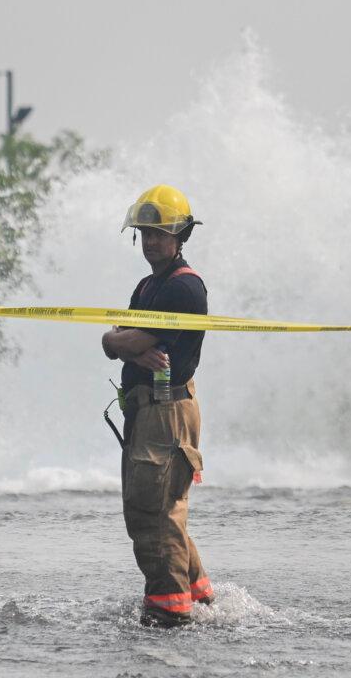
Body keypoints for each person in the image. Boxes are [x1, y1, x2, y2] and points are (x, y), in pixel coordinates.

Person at [101, 184, 212, 627]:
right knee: (164, 511)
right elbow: (115, 339)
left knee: (154, 514)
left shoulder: (184, 289)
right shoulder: (148, 286)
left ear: (180, 235)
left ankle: (169, 612)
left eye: (159, 233)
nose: (150, 241)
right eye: (145, 233)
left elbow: (128, 340)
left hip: (167, 413)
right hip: (149, 412)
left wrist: (126, 343)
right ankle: (199, 598)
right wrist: (121, 343)